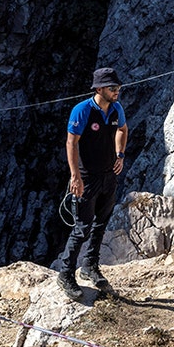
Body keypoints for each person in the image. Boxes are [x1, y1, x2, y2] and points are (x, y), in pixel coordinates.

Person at [56, 67, 129, 300]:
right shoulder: (83, 110)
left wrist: (120, 154)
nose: (117, 91)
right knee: (82, 227)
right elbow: (71, 142)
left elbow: (123, 129)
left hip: (109, 175)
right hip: (87, 177)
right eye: (112, 88)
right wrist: (75, 176)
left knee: (101, 223)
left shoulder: (116, 108)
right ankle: (66, 273)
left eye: (117, 87)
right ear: (99, 89)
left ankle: (90, 266)